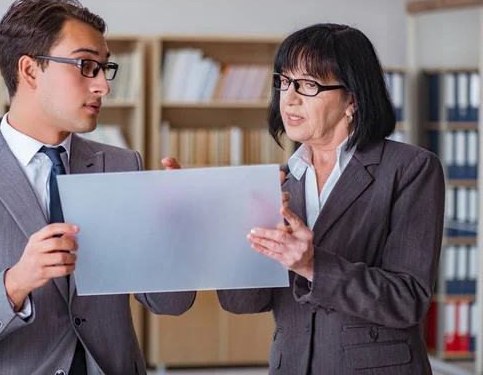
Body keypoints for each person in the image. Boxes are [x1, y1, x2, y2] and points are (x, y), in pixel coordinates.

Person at [0, 0, 195, 375]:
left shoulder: (122, 165)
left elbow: (170, 303)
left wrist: (176, 230)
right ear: (29, 70)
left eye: (106, 68)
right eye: (86, 66)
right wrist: (16, 283)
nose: (103, 86)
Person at [165, 23, 445, 374]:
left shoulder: (411, 169)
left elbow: (408, 300)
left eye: (308, 85)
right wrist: (219, 233)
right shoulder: (276, 180)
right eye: (283, 82)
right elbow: (245, 302)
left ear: (352, 98)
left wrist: (312, 264)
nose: (290, 97)